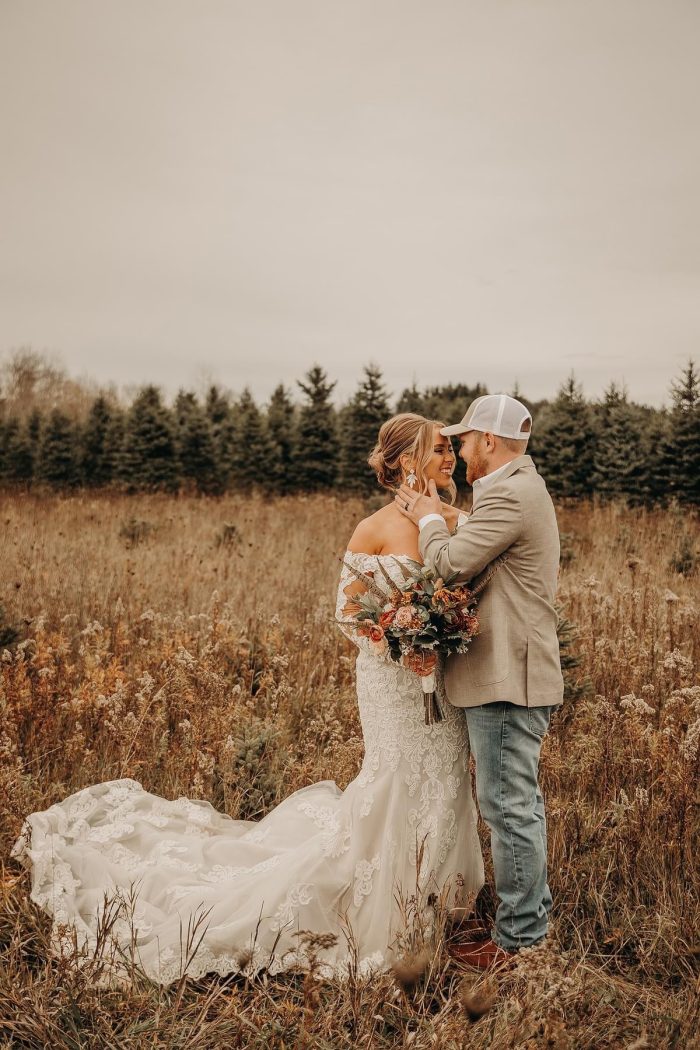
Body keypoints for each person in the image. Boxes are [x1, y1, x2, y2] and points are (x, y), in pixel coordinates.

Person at [11, 413, 484, 985]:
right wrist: (401, 639)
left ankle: (440, 899)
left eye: (450, 450)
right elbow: (346, 613)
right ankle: (385, 906)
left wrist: (447, 629)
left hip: (444, 686)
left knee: (447, 777)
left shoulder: (455, 522)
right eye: (439, 449)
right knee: (396, 779)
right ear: (407, 459)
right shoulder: (373, 528)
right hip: (392, 681)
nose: (451, 457)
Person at [396, 394, 563, 970]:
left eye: (464, 441)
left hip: (506, 679)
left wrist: (428, 520)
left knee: (508, 807)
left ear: (489, 442)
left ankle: (519, 941)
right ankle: (527, 919)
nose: (460, 453)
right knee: (516, 803)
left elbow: (445, 565)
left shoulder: (511, 496)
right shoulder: (514, 491)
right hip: (509, 674)